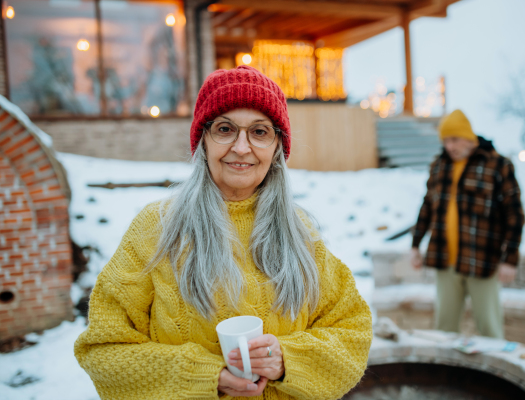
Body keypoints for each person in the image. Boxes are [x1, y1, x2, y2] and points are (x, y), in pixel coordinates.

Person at [74, 66, 372, 400]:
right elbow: (103, 349)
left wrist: (288, 359)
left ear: (277, 147)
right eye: (225, 129)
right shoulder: (157, 229)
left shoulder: (299, 232)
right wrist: (203, 375)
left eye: (259, 132)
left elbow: (352, 332)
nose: (242, 148)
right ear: (203, 139)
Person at [410, 109, 525, 339]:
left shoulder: (498, 165)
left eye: (453, 139)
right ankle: (445, 373)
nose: (449, 146)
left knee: (489, 329)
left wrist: (510, 258)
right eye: (445, 140)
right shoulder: (439, 165)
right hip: (445, 261)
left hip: (482, 260)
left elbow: (514, 214)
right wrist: (415, 244)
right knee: (443, 329)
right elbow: (427, 206)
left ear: (468, 138)